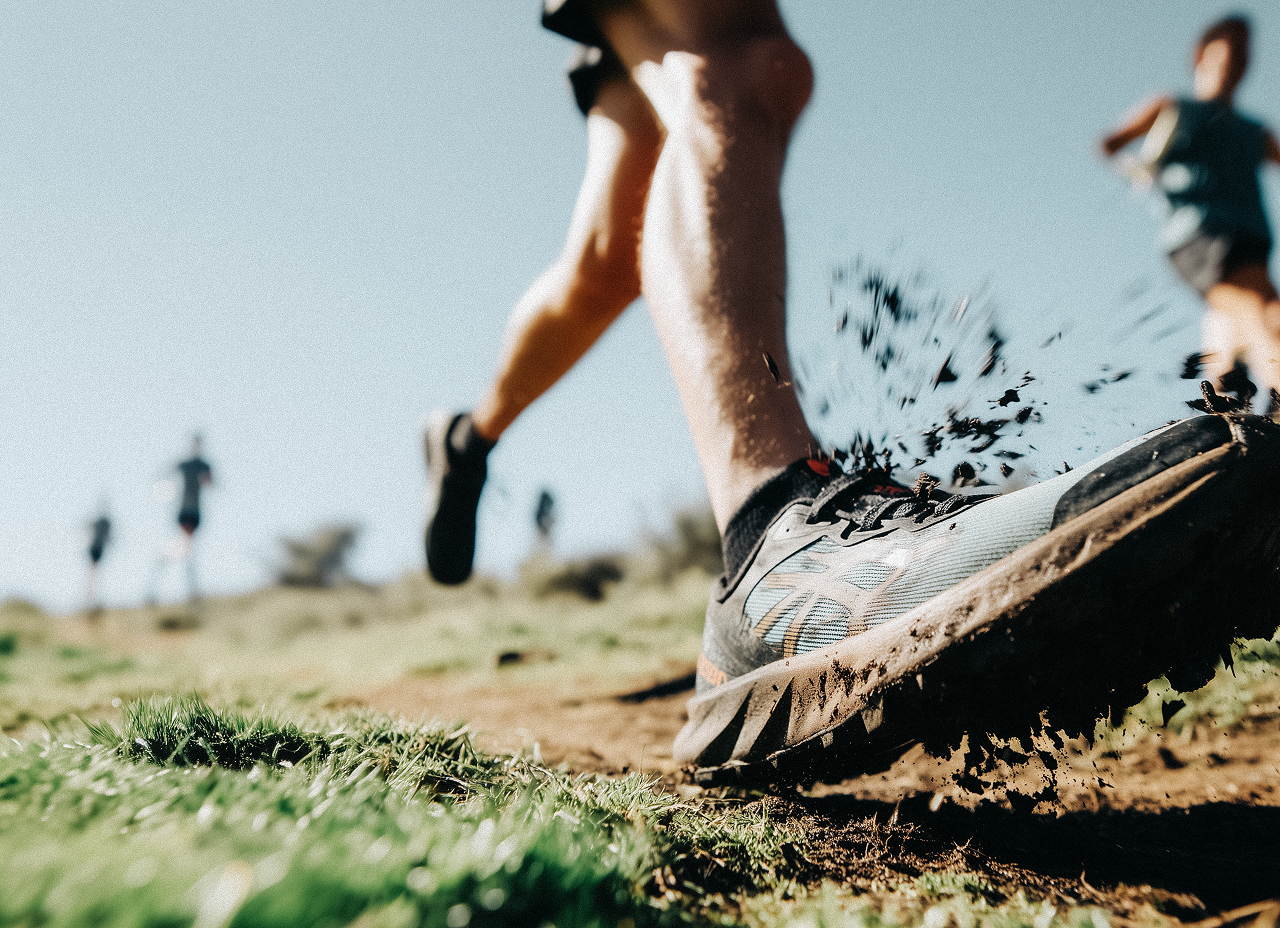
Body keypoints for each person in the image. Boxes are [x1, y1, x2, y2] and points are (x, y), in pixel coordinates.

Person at [425, 1, 1280, 784]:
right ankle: (768, 540)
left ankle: (471, 437)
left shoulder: (1244, 125)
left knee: (611, 256)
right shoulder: (1181, 109)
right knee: (743, 63)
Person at [1101, 16, 1280, 408]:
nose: (1234, 66)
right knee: (1266, 313)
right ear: (1201, 57)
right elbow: (1109, 144)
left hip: (1251, 238)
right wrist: (1136, 170)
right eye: (1226, 56)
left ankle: (1224, 413)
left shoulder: (1254, 130)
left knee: (1229, 327)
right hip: (1201, 234)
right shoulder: (1174, 107)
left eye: (1242, 59)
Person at [150, 435, 213, 603]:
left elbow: (211, 483)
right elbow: (162, 475)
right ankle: (192, 593)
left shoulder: (204, 466)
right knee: (188, 550)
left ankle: (162, 558)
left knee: (186, 548)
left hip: (196, 512)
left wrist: (205, 480)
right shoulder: (185, 464)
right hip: (185, 510)